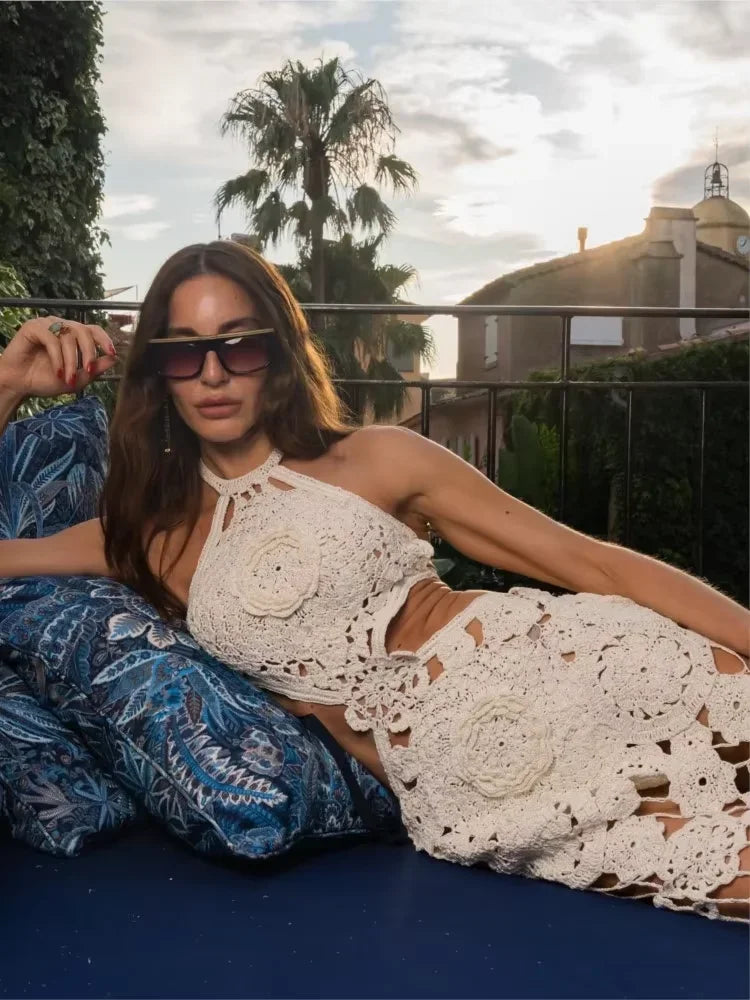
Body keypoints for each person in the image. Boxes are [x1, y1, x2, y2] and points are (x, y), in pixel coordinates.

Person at [0, 241, 748, 922]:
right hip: (477, 780)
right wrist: (7, 383)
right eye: (185, 352)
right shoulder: (149, 540)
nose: (215, 373)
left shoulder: (377, 458)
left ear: (280, 353)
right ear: (158, 372)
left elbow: (591, 562)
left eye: (241, 344)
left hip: (587, 670)